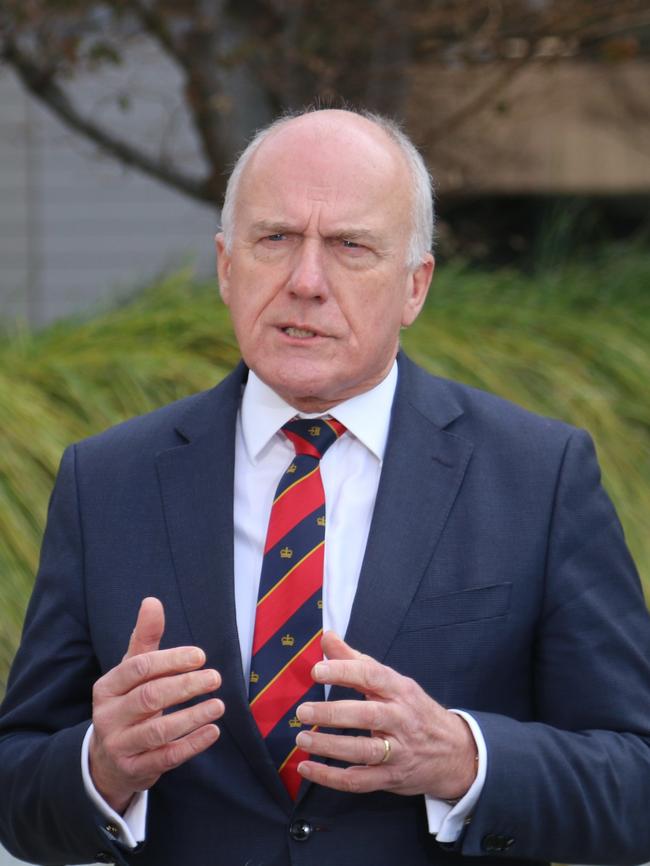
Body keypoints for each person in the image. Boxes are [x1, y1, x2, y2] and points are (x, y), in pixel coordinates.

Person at [1, 107, 649, 866]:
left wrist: (463, 761)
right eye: (275, 239)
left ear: (416, 286)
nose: (306, 281)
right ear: (225, 265)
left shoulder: (537, 477)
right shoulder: (105, 481)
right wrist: (98, 768)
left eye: (350, 246)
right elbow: (16, 786)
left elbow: (635, 782)